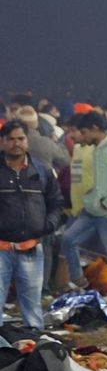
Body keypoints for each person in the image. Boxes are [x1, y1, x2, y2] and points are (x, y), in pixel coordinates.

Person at [59, 112, 107, 311]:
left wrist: (106, 202)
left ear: (94, 128)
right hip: (92, 209)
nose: (82, 137)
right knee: (68, 239)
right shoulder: (97, 148)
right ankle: (78, 277)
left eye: (84, 132)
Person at [0, 120, 65, 328]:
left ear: (27, 141)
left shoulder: (42, 171)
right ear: (2, 142)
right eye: (10, 139)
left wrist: (47, 226)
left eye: (20, 139)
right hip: (0, 249)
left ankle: (36, 352)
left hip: (31, 248)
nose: (16, 143)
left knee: (32, 308)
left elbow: (56, 203)